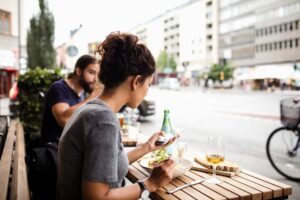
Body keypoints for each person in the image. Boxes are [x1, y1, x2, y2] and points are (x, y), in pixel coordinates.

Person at [58, 32, 179, 200]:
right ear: (136, 82)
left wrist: (146, 148)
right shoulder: (103, 121)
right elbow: (97, 198)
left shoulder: (92, 110)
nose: (147, 91)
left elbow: (105, 166)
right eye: (148, 84)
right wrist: (150, 183)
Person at [40, 55, 101, 146]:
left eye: (98, 74)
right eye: (92, 72)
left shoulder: (82, 92)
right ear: (79, 71)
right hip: (54, 149)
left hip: (71, 146)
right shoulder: (58, 88)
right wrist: (91, 98)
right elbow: (64, 120)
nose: (95, 78)